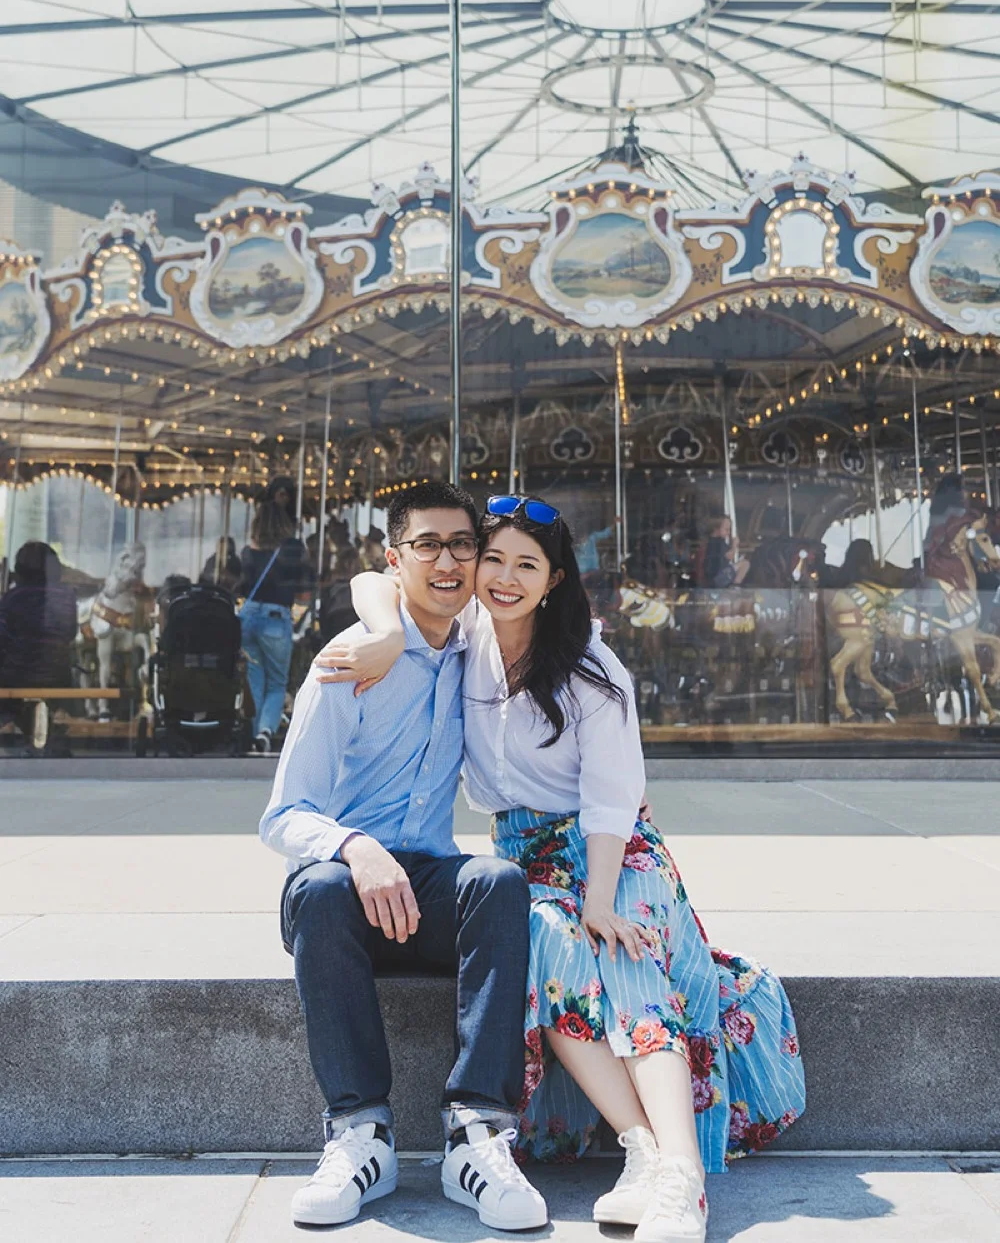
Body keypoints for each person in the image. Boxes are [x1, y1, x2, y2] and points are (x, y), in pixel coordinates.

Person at [319, 494, 806, 1243]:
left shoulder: (590, 666)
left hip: (615, 851)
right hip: (525, 854)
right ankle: (641, 1152)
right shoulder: (464, 632)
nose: (504, 578)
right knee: (548, 938)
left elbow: (612, 803)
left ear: (554, 580)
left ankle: (681, 1177)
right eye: (493, 559)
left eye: (527, 565)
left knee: (624, 955)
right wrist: (385, 635)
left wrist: (601, 900)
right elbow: (373, 579)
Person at [259, 482, 548, 1232]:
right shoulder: (350, 661)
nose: (448, 562)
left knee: (498, 881)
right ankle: (361, 1134)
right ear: (397, 560)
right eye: (427, 546)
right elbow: (283, 815)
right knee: (321, 889)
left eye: (462, 546)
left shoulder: (478, 646)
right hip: (342, 899)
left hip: (428, 887)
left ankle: (476, 1136)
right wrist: (356, 847)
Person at [240, 500, 310, 753]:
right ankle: (265, 731)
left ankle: (254, 734)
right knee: (277, 682)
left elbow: (240, 585)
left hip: (248, 616)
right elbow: (304, 591)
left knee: (255, 679)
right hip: (276, 618)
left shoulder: (248, 552)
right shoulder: (292, 550)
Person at [0, 541, 78, 690]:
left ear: (19, 569)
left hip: (15, 680)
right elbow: (70, 633)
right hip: (58, 679)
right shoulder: (67, 595)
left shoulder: (12, 597)